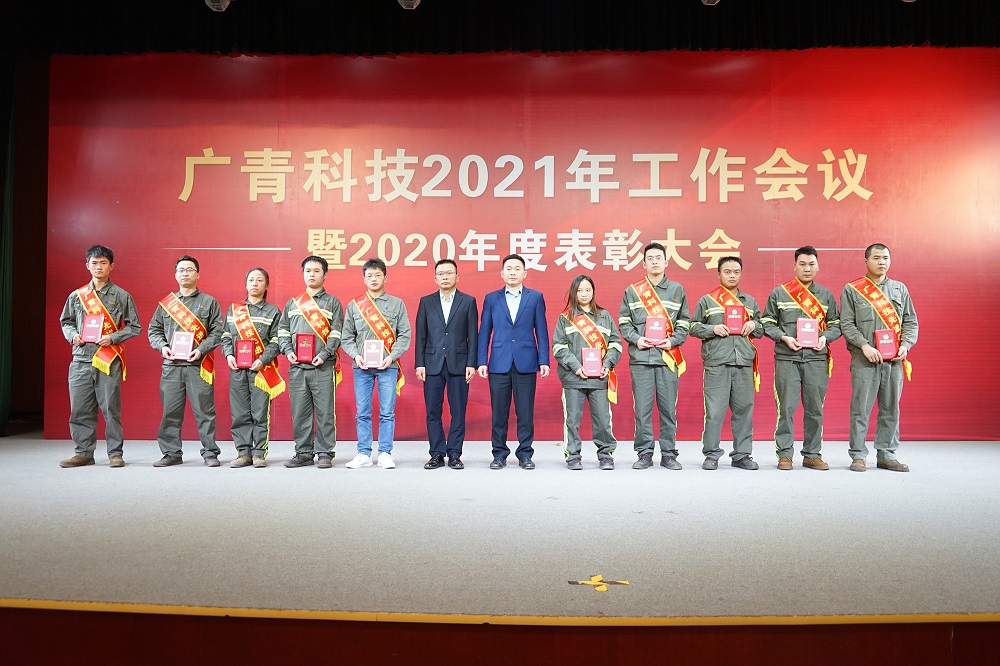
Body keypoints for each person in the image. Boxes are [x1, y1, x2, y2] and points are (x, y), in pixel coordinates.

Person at [58, 244, 142, 468]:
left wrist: (113, 338)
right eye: (94, 263)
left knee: (110, 409)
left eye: (103, 263)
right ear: (87, 265)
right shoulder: (77, 296)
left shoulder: (121, 295)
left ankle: (115, 454)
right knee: (80, 409)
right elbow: (66, 322)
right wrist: (73, 335)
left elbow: (134, 327)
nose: (98, 267)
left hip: (107, 360)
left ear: (111, 266)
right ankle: (83, 453)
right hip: (80, 360)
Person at [761, 246, 842, 471]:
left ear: (818, 266)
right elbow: (767, 323)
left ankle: (812, 454)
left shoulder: (825, 295)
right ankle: (785, 455)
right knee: (786, 408)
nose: (807, 268)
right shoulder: (780, 293)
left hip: (816, 359)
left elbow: (837, 324)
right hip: (787, 358)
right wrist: (784, 337)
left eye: (811, 264)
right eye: (803, 264)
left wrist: (825, 338)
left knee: (815, 408)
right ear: (794, 266)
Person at [840, 243, 918, 472]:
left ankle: (887, 454)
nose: (881, 262)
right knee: (860, 409)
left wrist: (905, 345)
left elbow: (910, 322)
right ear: (866, 261)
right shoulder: (853, 290)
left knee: (891, 408)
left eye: (885, 258)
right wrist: (864, 346)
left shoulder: (899, 289)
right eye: (876, 258)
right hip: (864, 359)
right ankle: (858, 455)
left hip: (893, 361)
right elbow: (847, 323)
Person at [618, 242, 690, 470]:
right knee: (642, 410)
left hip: (667, 358)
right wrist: (637, 339)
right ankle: (644, 453)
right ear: (644, 263)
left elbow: (684, 322)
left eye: (659, 257)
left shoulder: (677, 289)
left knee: (668, 410)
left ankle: (669, 454)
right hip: (641, 359)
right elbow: (624, 323)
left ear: (666, 262)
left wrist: (672, 341)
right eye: (650, 258)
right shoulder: (633, 291)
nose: (655, 261)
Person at [147, 255, 223, 466]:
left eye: (189, 270)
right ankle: (171, 453)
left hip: (199, 365)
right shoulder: (166, 304)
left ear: (198, 274)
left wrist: (201, 350)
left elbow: (218, 332)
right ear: (175, 275)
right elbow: (154, 330)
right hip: (171, 366)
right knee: (170, 412)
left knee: (205, 412)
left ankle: (210, 453)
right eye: (181, 270)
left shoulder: (209, 302)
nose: (185, 273)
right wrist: (163, 347)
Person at [690, 256, 764, 470]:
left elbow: (762, 328)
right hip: (717, 364)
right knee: (714, 412)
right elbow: (692, 327)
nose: (732, 275)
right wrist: (712, 329)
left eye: (736, 272)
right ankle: (711, 454)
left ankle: (742, 455)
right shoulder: (707, 300)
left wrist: (753, 324)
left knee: (744, 412)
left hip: (743, 362)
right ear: (719, 274)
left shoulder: (749, 302)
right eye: (727, 271)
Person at [477, 254, 550, 470]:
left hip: (526, 362)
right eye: (508, 269)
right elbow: (484, 332)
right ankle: (499, 454)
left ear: (524, 273)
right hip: (498, 363)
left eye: (517, 269)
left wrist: (544, 360)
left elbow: (542, 331)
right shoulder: (492, 298)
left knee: (525, 412)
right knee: (499, 413)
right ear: (502, 273)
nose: (512, 272)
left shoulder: (535, 297)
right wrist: (482, 361)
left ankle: (525, 454)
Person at [341, 258, 411, 470]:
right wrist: (356, 356)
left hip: (388, 366)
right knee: (362, 412)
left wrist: (392, 356)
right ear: (364, 279)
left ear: (385, 278)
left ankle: (385, 453)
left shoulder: (397, 304)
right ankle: (363, 453)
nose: (373, 279)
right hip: (361, 367)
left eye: (378, 275)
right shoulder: (354, 305)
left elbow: (405, 335)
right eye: (369, 276)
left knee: (387, 412)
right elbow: (347, 337)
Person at [277, 255, 344, 469]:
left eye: (316, 271)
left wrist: (324, 354)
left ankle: (325, 452)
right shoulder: (293, 303)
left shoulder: (332, 302)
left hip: (323, 366)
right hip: (297, 367)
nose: (312, 274)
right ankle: (303, 452)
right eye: (308, 271)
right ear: (303, 274)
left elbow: (336, 333)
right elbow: (282, 330)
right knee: (300, 412)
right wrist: (288, 351)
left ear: (325, 274)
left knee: (325, 412)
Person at [414, 259, 478, 470]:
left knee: (458, 411)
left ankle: (455, 453)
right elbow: (421, 335)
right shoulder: (426, 302)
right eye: (441, 274)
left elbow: (473, 335)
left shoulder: (468, 301)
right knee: (433, 412)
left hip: (459, 363)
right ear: (435, 278)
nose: (445, 277)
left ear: (457, 277)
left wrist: (472, 363)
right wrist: (420, 363)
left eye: (449, 273)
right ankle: (437, 454)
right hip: (432, 363)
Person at [553, 275, 622, 470]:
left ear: (593, 292)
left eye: (587, 290)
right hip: (573, 378)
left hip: (599, 378)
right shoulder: (565, 318)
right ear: (574, 292)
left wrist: (607, 364)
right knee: (572, 420)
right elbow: (559, 347)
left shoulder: (604, 316)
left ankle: (606, 455)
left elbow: (615, 343)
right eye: (579, 290)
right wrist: (576, 366)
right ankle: (573, 456)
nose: (584, 294)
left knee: (603, 420)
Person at [220, 268, 284, 469]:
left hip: (261, 370)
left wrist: (263, 360)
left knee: (260, 412)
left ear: (267, 285)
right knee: (239, 413)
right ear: (246, 284)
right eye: (251, 280)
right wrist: (229, 354)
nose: (254, 283)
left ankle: (258, 453)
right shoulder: (234, 310)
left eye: (259, 280)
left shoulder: (273, 311)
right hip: (237, 369)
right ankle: (243, 453)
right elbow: (225, 336)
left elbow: (277, 340)